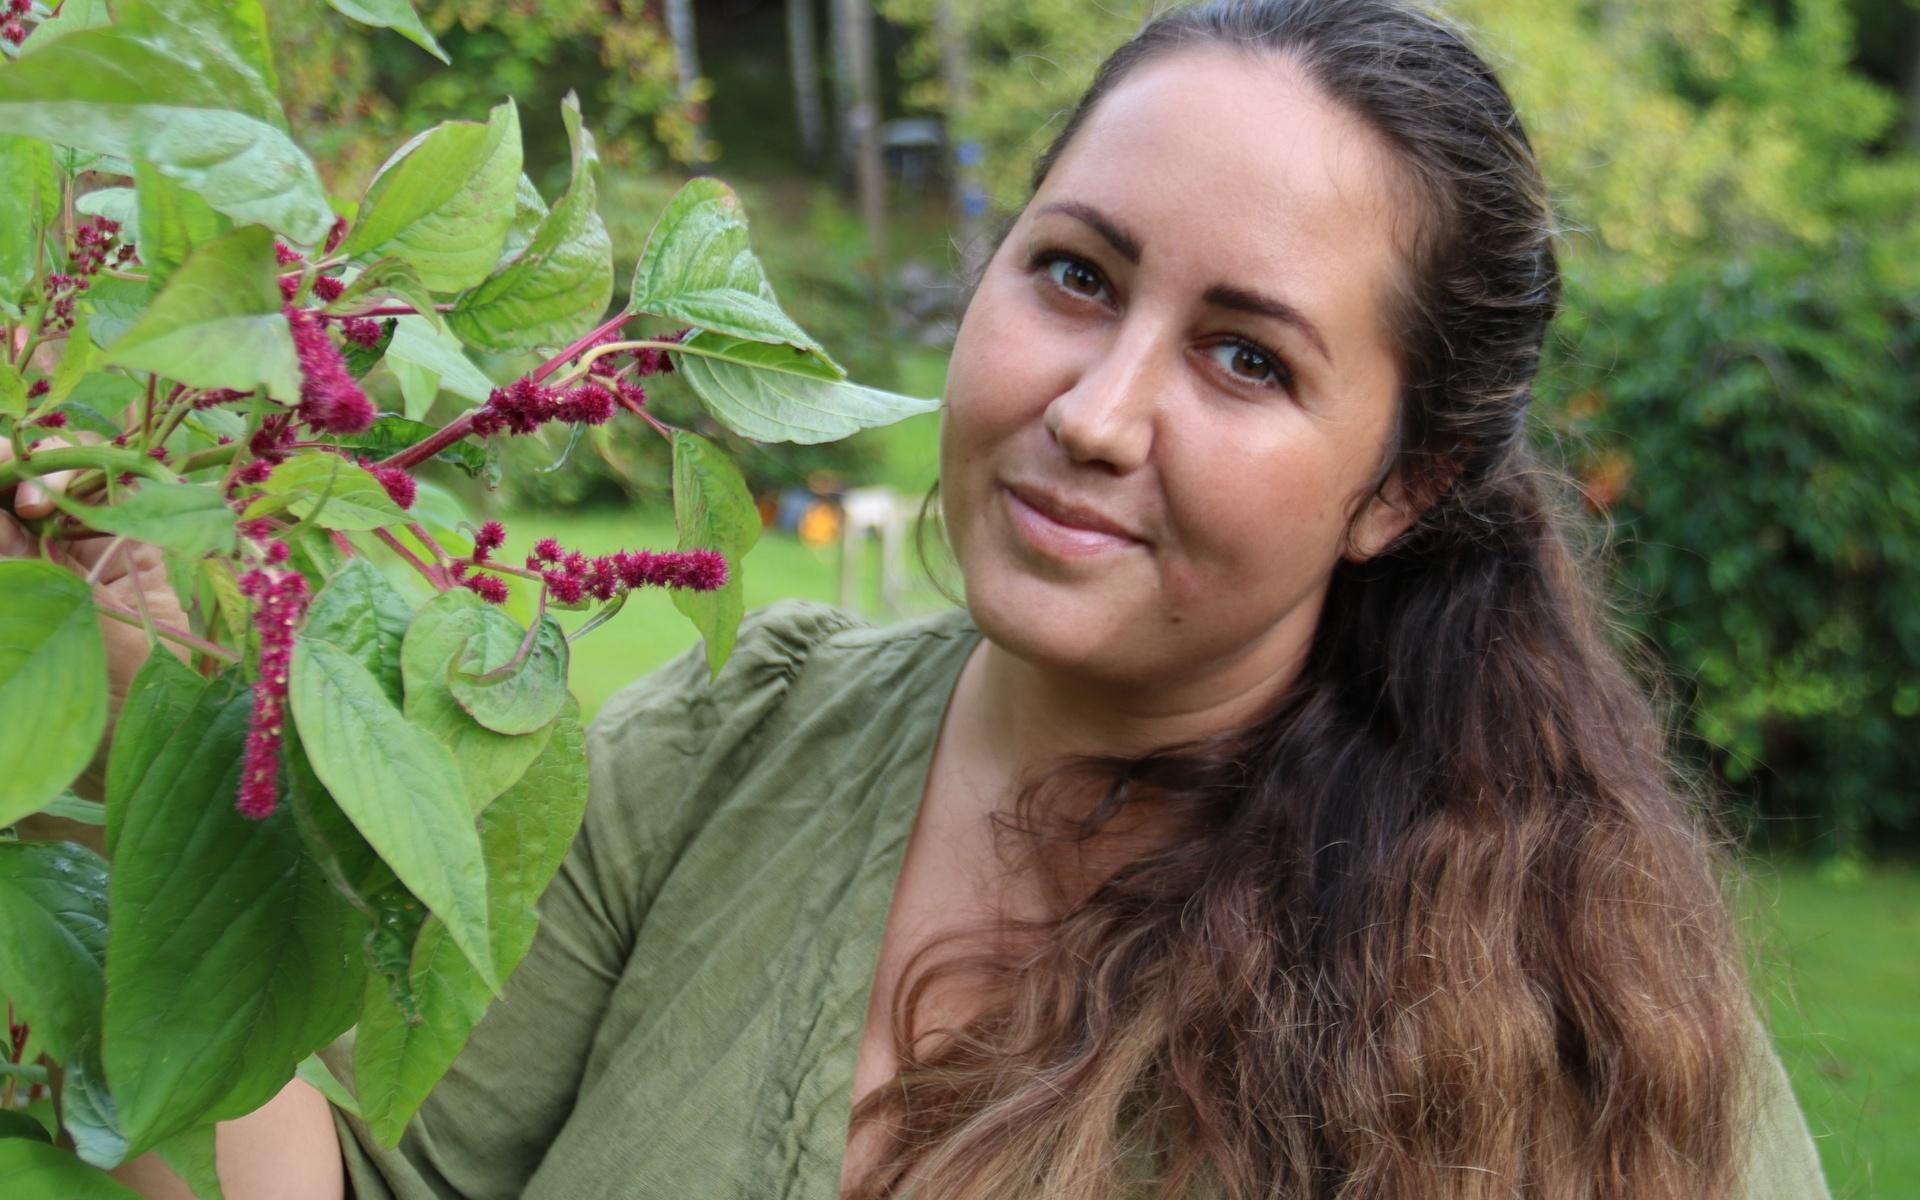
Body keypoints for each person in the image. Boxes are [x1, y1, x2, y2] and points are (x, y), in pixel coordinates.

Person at [7, 0, 1830, 1196]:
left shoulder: (1569, 1018)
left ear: (1404, 485)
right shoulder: (722, 751)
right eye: (1075, 273)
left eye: (1248, 361)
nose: (1096, 409)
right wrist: (140, 706)